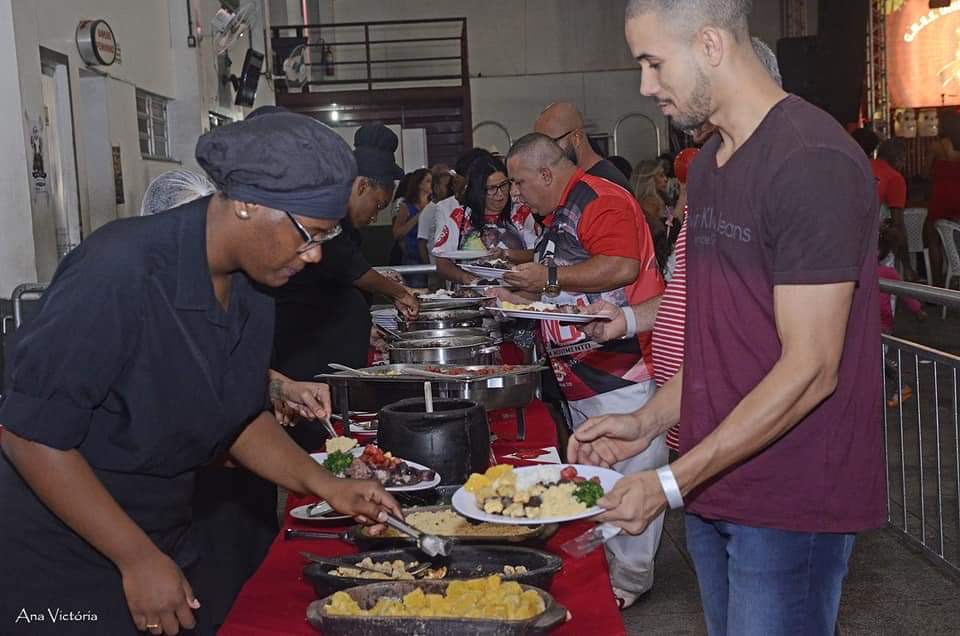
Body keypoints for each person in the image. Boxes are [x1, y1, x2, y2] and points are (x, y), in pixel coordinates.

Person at [0, 111, 403, 634]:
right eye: (309, 235)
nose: (315, 255)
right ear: (247, 204)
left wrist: (327, 485)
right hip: (66, 553)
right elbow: (30, 434)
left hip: (162, 531)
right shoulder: (119, 270)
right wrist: (135, 558)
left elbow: (236, 416)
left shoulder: (254, 284)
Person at [571, 3, 883, 635]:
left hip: (790, 495)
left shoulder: (810, 161)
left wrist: (668, 482)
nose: (645, 85)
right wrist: (647, 419)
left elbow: (812, 367)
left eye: (654, 63)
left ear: (710, 44)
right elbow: (718, 346)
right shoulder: (712, 168)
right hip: (717, 482)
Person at [499, 133, 665, 607]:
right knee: (601, 471)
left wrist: (546, 277)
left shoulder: (598, 199)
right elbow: (570, 283)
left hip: (622, 368)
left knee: (632, 471)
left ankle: (629, 580)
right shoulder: (559, 213)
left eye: (519, 182)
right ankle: (615, 569)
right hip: (585, 372)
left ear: (548, 173)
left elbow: (620, 267)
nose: (516, 193)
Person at [271, 124, 418, 438]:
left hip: (331, 369)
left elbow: (337, 288)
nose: (376, 216)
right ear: (361, 185)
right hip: (303, 363)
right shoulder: (326, 216)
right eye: (378, 205)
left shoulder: (348, 226)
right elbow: (354, 271)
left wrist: (364, 329)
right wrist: (399, 293)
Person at [433, 155, 539, 285]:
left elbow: (538, 254)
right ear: (478, 190)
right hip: (473, 296)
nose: (500, 194)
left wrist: (507, 254)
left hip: (518, 296)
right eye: (492, 189)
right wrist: (467, 279)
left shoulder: (522, 213)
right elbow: (442, 263)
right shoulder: (460, 217)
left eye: (504, 185)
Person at [852, 127, 913, 276]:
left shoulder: (863, 165)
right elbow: (899, 224)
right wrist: (907, 265)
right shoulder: (895, 178)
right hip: (872, 241)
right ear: (898, 157)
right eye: (904, 158)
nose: (904, 164)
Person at [534, 102, 633, 191]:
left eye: (550, 143)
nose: (544, 154)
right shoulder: (580, 181)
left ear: (577, 138)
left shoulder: (606, 186)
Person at [879, 225, 925, 408]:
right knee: (876, 360)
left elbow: (906, 294)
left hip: (881, 326)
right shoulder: (869, 271)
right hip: (869, 325)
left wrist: (917, 310)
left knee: (879, 361)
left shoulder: (887, 273)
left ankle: (901, 385)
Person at [925, 107, 960, 286]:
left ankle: (937, 286)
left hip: (940, 198)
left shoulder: (935, 146)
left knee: (934, 241)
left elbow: (925, 172)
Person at [392, 168, 432, 286]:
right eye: (428, 181)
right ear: (419, 184)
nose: (431, 184)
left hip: (431, 255)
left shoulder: (434, 205)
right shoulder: (406, 206)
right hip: (414, 258)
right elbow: (397, 233)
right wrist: (419, 216)